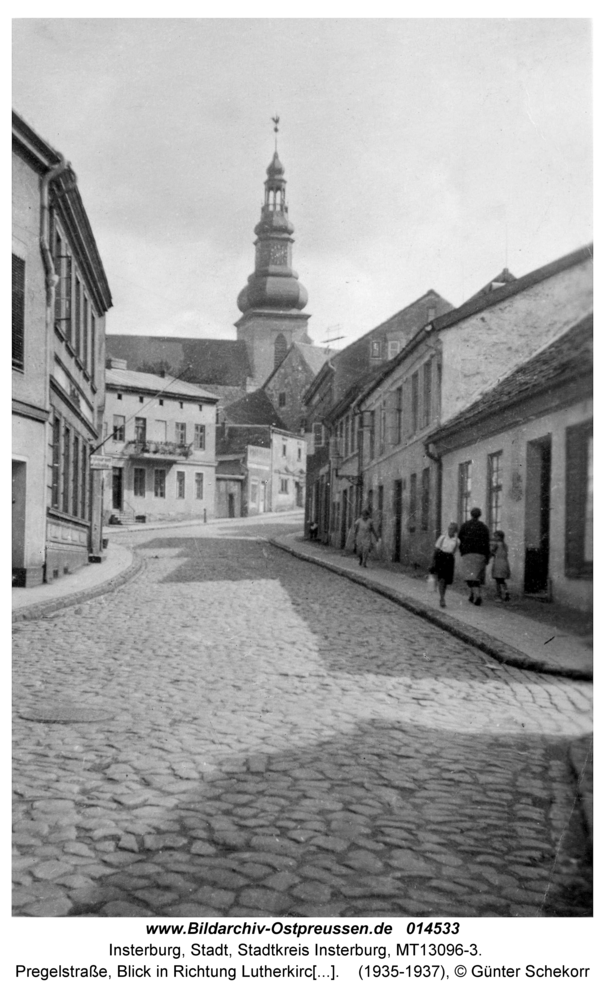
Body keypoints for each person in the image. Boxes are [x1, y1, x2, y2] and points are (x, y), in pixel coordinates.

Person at [457, 507, 491, 606]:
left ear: (471, 514)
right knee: (476, 576)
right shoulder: (484, 527)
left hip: (468, 554)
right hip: (481, 554)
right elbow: (487, 542)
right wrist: (487, 556)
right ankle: (472, 595)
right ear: (479, 515)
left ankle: (477, 596)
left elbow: (460, 540)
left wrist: (462, 551)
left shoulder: (465, 526)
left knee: (470, 578)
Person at [433, 522, 459, 608]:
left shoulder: (457, 541)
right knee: (441, 579)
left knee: (446, 581)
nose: (450, 530)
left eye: (452, 529)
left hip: (449, 559)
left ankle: (442, 596)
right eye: (449, 528)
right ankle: (442, 598)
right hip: (441, 557)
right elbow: (436, 549)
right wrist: (433, 562)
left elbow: (454, 551)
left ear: (455, 531)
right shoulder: (442, 537)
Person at [491, 530, 511, 601]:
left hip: (498, 564)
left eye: (496, 536)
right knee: (502, 580)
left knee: (497, 581)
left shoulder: (496, 544)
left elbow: (492, 551)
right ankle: (506, 592)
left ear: (499, 537)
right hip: (505, 563)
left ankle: (498, 596)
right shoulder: (505, 545)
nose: (495, 538)